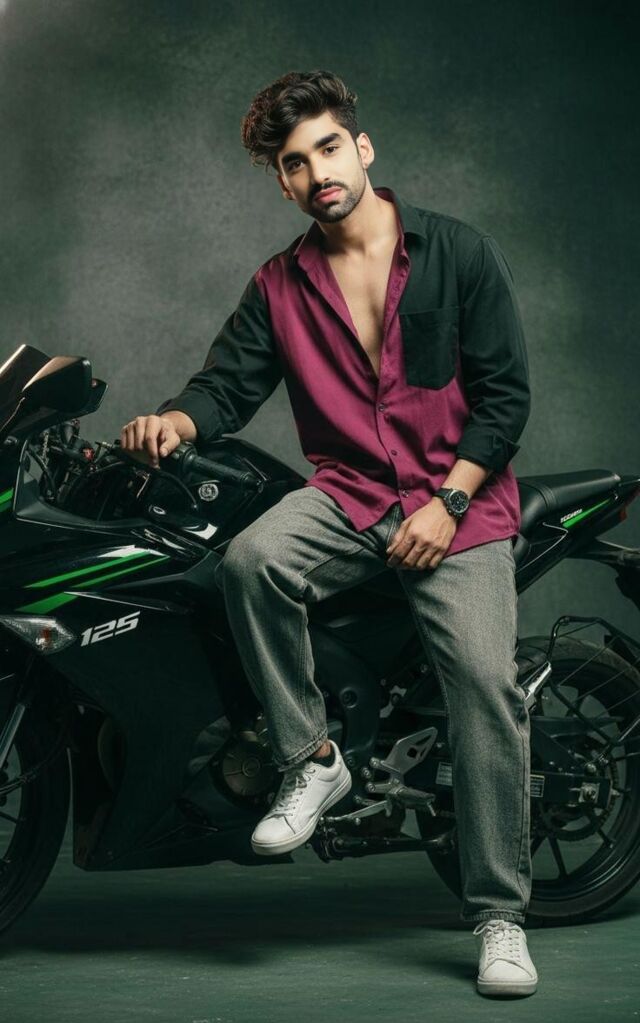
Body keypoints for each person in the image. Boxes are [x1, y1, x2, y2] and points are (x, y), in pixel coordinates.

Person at [120, 69, 538, 998]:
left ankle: (500, 917)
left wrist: (449, 501)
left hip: (460, 504)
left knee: (482, 685)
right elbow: (225, 386)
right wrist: (173, 422)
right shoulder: (279, 286)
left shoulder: (460, 253)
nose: (317, 174)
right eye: (293, 163)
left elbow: (505, 398)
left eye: (327, 149)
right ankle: (311, 759)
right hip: (350, 493)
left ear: (363, 146)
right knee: (250, 562)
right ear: (281, 181)